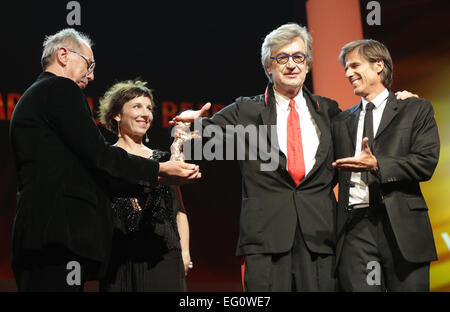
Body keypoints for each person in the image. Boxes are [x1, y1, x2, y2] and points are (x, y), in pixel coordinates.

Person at [9, 28, 200, 292]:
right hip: (56, 238)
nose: (92, 74)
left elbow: (86, 170)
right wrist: (159, 170)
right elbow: (99, 155)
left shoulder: (37, 95)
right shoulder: (60, 88)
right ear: (63, 55)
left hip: (40, 237)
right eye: (89, 64)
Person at [173, 23, 341, 292]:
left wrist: (402, 105)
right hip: (266, 241)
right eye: (281, 58)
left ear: (308, 65)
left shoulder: (329, 110)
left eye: (299, 57)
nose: (291, 65)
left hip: (321, 239)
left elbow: (364, 129)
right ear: (269, 67)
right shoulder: (246, 110)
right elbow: (204, 134)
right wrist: (190, 125)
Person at [331, 39, 440, 291]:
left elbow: (425, 163)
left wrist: (378, 165)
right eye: (346, 68)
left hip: (401, 226)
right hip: (355, 230)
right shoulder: (340, 121)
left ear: (378, 65)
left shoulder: (414, 109)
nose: (348, 73)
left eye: (354, 65)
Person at [97, 80, 191, 291]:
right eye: (136, 106)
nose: (145, 113)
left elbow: (180, 212)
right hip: (119, 260)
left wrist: (185, 253)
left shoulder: (164, 161)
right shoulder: (106, 161)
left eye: (149, 108)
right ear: (117, 115)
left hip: (163, 258)